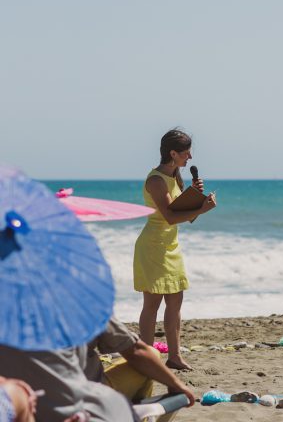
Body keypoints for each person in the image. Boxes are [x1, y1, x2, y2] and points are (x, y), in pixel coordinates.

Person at [0, 315, 195, 422]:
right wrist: (177, 384)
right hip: (81, 402)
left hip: (17, 404)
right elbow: (136, 352)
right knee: (152, 353)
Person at [134, 129, 217, 370]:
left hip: (171, 245)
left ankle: (175, 356)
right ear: (173, 153)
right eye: (185, 152)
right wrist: (201, 209)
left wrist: (196, 198)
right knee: (152, 305)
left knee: (175, 302)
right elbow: (170, 216)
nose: (189, 157)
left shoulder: (176, 178)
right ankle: (147, 356)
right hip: (152, 245)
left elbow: (183, 214)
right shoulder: (156, 180)